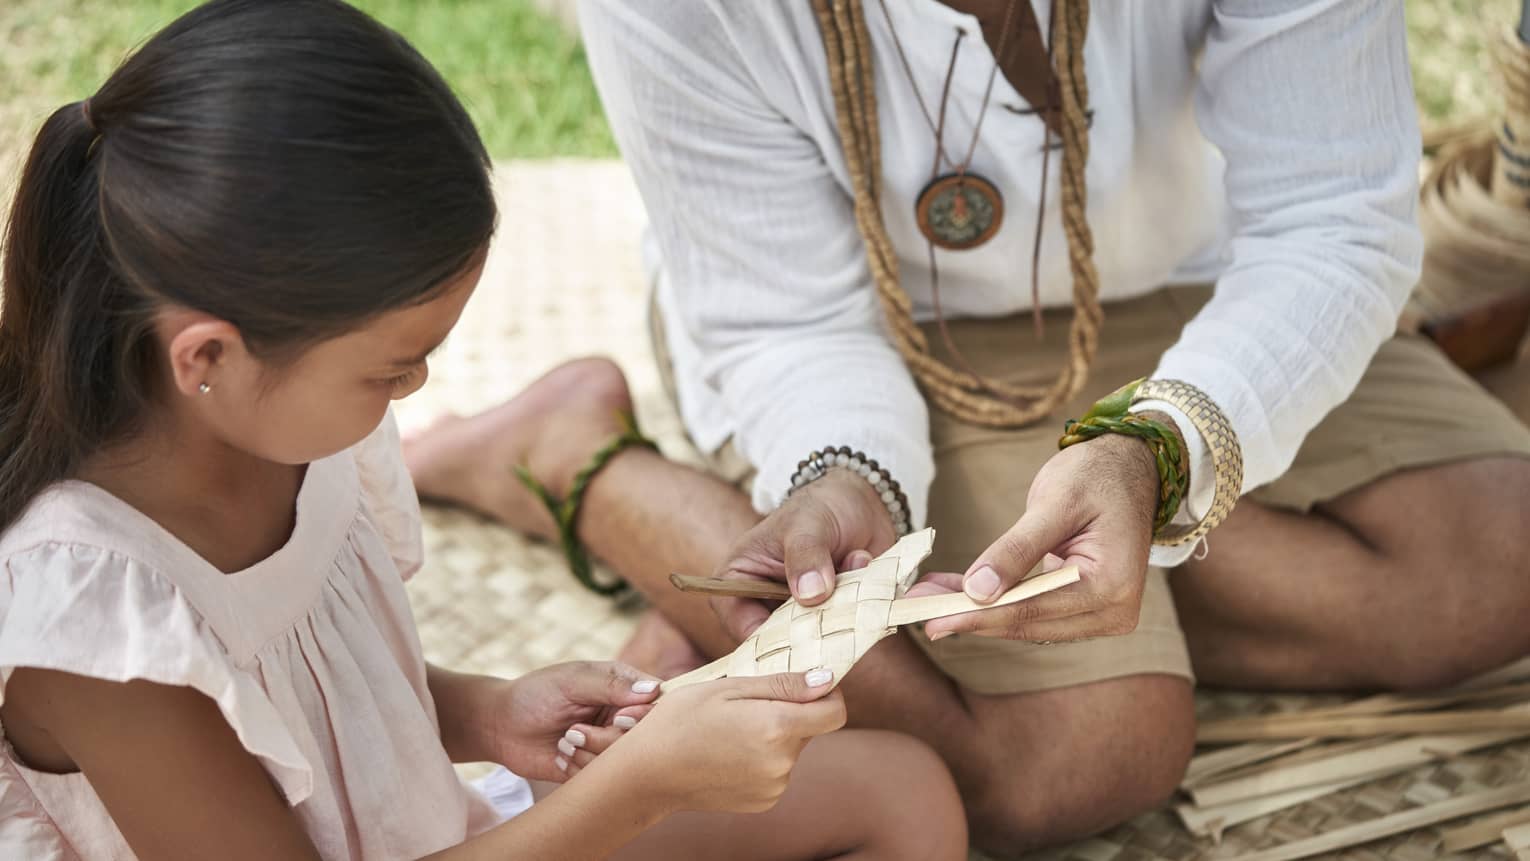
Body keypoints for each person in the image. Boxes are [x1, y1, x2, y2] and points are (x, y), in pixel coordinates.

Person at [405, 0, 1530, 855]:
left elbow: (1331, 219)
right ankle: (572, 459)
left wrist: (1164, 444)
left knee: (1500, 558)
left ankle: (1087, 551)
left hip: (1215, 283)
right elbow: (783, 315)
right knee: (1084, 753)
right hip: (868, 333)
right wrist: (851, 479)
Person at [0, 2, 970, 859]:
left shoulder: (286, 430)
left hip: (441, 831)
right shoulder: (100, 630)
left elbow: (305, 699)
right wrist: (644, 786)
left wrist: (487, 712)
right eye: (391, 367)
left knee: (906, 793)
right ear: (208, 358)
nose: (415, 387)